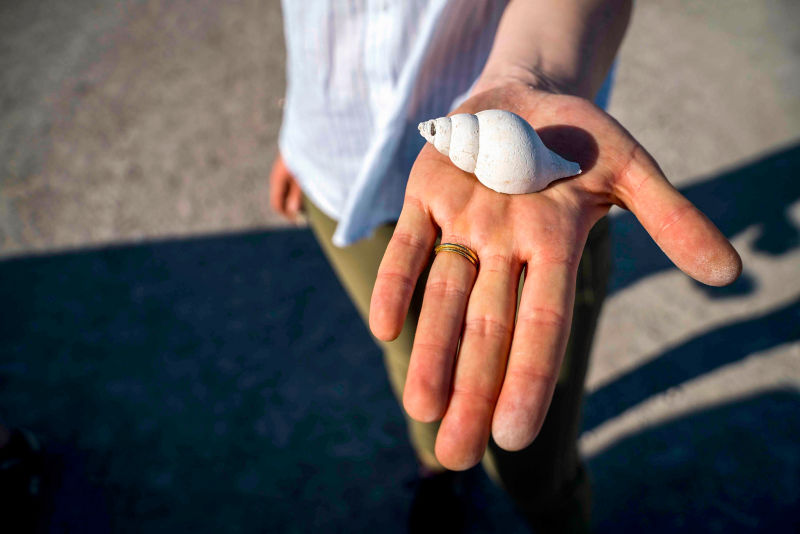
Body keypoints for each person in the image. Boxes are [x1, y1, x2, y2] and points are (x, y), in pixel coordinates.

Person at [269, 1, 741, 531]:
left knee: (530, 448)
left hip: (517, 178)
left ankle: (550, 503)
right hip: (332, 162)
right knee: (410, 352)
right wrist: (297, 126)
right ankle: (437, 469)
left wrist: (532, 74)